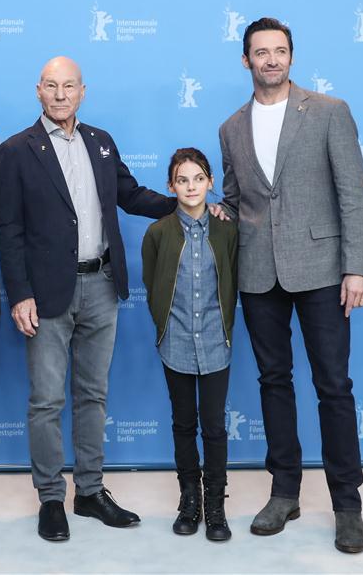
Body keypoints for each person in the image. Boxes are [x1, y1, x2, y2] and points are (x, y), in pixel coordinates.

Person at [0, 56, 180, 542]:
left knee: (93, 395)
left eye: (69, 86)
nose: (60, 95)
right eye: (51, 86)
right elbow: (8, 230)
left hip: (101, 284)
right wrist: (20, 294)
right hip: (47, 292)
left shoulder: (101, 142)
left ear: (83, 92)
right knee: (46, 400)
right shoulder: (16, 150)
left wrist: (183, 204)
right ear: (38, 91)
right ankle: (51, 498)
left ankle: (91, 492)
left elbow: (131, 195)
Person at [218, 17, 363, 553]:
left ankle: (347, 505)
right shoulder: (231, 127)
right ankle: (284, 492)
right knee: (273, 382)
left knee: (334, 386)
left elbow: (353, 193)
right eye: (261, 52)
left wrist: (358, 267)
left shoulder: (329, 112)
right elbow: (238, 202)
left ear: (291, 57)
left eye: (280, 51)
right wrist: (210, 213)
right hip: (259, 274)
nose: (271, 60)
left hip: (324, 270)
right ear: (246, 61)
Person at [141, 148, 238, 541]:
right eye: (182, 180)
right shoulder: (158, 233)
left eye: (198, 178)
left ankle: (215, 504)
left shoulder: (227, 229)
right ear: (171, 186)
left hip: (216, 342)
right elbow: (152, 284)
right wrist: (165, 327)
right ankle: (189, 501)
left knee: (214, 426)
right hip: (176, 343)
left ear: (210, 182)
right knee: (184, 423)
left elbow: (232, 276)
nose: (191, 186)